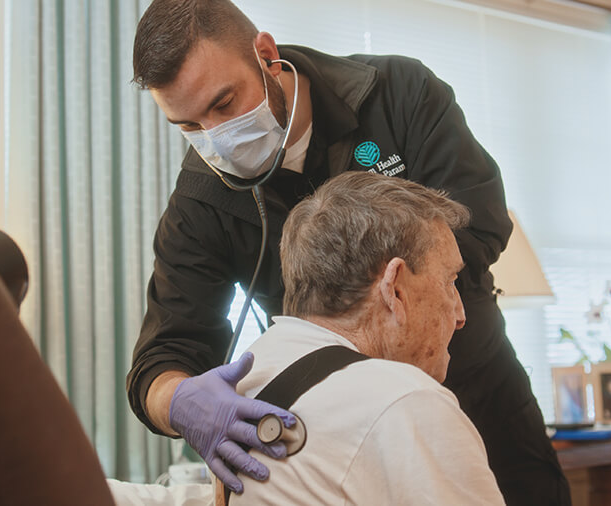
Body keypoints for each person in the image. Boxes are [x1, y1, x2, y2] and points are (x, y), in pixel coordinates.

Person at [126, 1, 570, 504]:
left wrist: (381, 316)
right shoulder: (203, 198)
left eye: (225, 103)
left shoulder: (399, 93)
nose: (216, 138)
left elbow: (480, 220)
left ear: (266, 55)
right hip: (341, 435)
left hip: (475, 384)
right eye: (188, 126)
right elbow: (163, 356)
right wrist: (179, 400)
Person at [229, 172, 504, 504]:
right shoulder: (406, 401)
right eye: (449, 282)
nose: (460, 315)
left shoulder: (249, 378)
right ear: (395, 288)